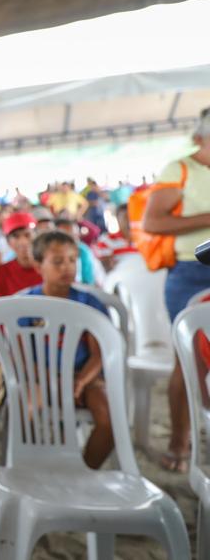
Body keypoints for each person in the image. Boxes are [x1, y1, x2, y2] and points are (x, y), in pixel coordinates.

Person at [143, 107, 210, 472]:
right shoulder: (180, 170)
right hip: (190, 272)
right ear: (199, 138)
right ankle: (179, 444)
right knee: (188, 360)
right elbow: (153, 222)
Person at [22, 231, 113, 468]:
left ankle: (84, 471)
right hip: (40, 377)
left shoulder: (89, 303)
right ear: (38, 265)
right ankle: (29, 469)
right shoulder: (26, 304)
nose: (67, 267)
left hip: (85, 377)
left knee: (109, 419)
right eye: (58, 261)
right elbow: (21, 354)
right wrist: (51, 379)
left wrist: (80, 381)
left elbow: (98, 354)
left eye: (73, 260)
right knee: (25, 411)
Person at [0, 212, 42, 297]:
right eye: (16, 236)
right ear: (8, 242)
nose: (23, 242)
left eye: (27, 235)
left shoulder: (48, 269)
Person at [93, 204, 138, 271]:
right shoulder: (106, 241)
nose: (129, 221)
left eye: (132, 216)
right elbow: (105, 267)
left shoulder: (144, 240)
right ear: (117, 219)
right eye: (125, 217)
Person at [54, 218, 97, 285]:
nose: (72, 240)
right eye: (66, 236)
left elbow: (88, 281)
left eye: (75, 235)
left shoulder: (83, 251)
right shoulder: (49, 252)